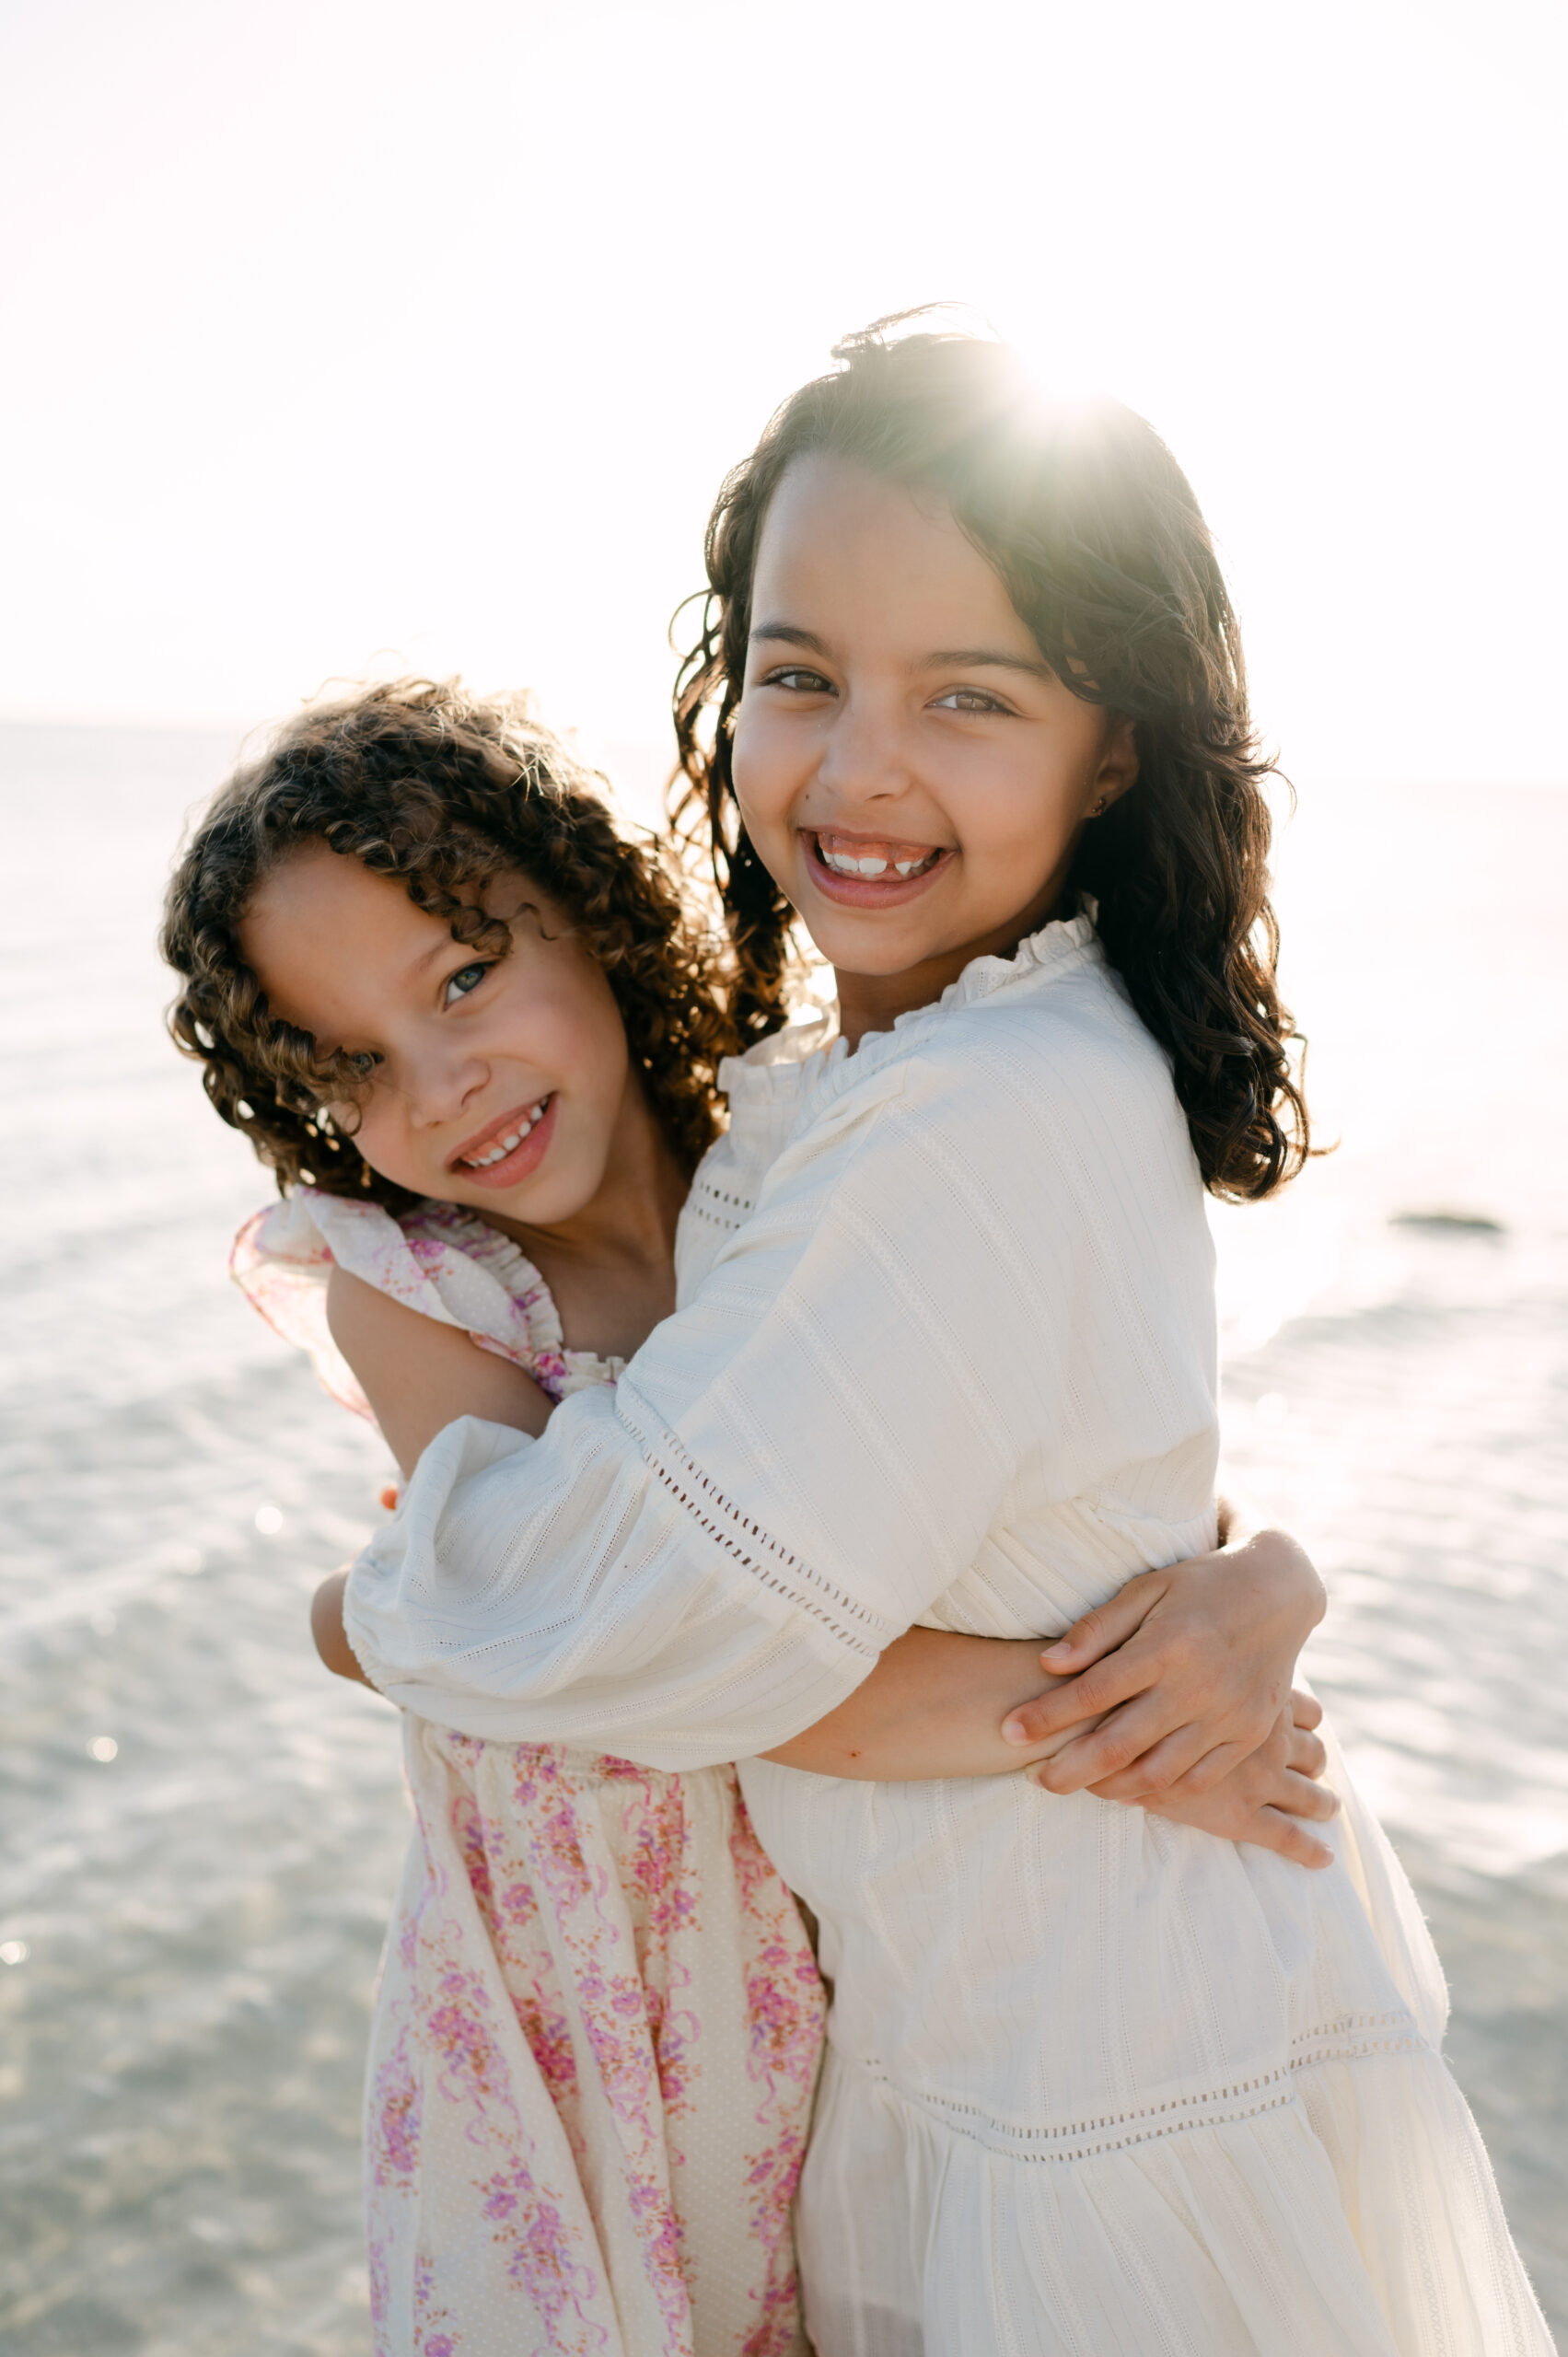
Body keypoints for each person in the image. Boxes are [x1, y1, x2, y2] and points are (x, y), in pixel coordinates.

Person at [325, 330, 1553, 2354]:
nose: (857, 766)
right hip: (998, 2036)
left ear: (1116, 739)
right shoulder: (901, 1076)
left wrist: (373, 1598)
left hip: (1090, 2098)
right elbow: (1042, 1486)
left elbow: (679, 1627)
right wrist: (1264, 1569)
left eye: (966, 698)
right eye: (799, 673)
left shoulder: (986, 1108)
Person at [161, 679, 1332, 2357]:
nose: (442, 1086)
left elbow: (1062, 1490)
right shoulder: (418, 1296)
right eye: (353, 1063)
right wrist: (1126, 1714)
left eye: (469, 977)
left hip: (854, 1953)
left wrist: (1265, 1582)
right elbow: (608, 1648)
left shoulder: (804, 1166)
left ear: (592, 912)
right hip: (591, 2004)